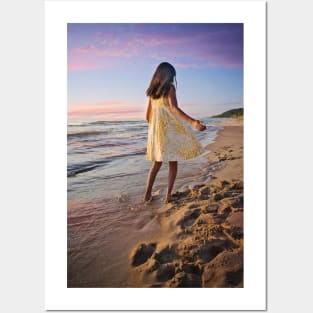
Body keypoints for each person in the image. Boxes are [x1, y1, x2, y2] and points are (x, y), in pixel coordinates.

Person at [144, 62, 206, 204]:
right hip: (169, 131)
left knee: (156, 164)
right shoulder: (170, 88)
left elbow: (148, 116)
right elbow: (174, 109)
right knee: (173, 162)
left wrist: (156, 129)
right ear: (169, 76)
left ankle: (147, 195)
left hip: (157, 133)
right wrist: (193, 122)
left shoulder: (152, 93)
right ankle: (168, 196)